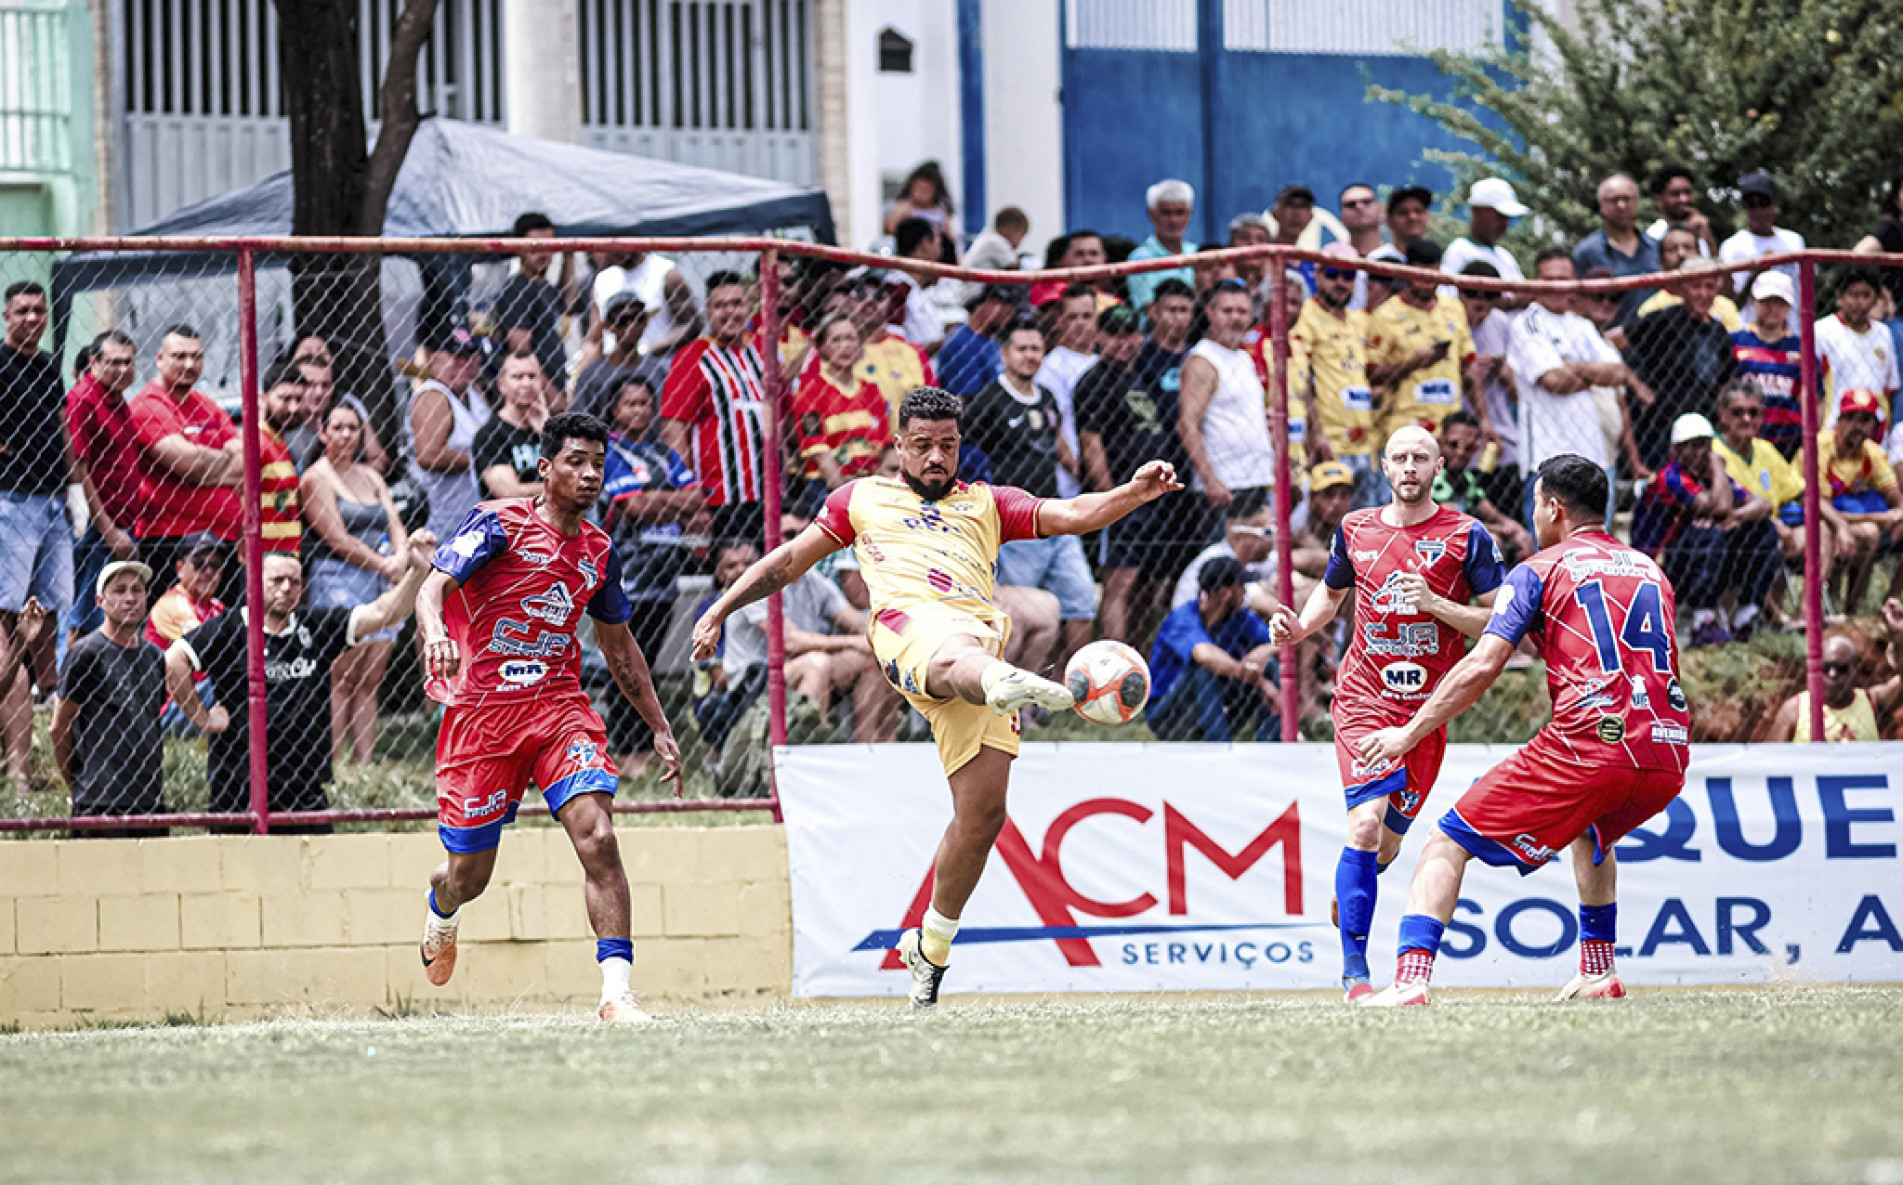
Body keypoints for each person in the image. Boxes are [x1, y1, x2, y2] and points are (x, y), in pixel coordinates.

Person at [690, 385, 1183, 1008]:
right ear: (897, 444)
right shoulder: (860, 499)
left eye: (946, 447)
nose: (934, 458)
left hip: (976, 648)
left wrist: (1132, 493)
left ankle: (931, 944)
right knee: (957, 654)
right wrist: (719, 607)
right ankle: (1006, 683)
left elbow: (1073, 513)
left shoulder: (985, 504)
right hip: (909, 635)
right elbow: (789, 560)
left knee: (982, 818)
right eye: (921, 446)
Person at [1356, 455, 1690, 1006]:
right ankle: (1599, 970)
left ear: (1553, 508)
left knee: (1448, 839)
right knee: (1592, 830)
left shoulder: (1539, 568)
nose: (1532, 513)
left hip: (1590, 743)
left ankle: (1410, 981)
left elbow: (1484, 665)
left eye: (1535, 503)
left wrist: (1407, 734)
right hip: (1667, 748)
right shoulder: (1649, 568)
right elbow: (1550, 629)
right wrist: (1444, 607)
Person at [413, 411, 682, 1023]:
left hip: (561, 710)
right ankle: (442, 905)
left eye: (598, 464)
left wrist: (659, 724)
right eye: (575, 461)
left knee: (601, 837)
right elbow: (433, 589)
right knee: (469, 877)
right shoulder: (498, 524)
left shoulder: (598, 550)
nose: (589, 474)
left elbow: (619, 647)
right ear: (545, 467)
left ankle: (617, 994)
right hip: (483, 718)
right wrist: (434, 634)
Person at [1270, 426, 1505, 1001]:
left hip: (1427, 710)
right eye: (1399, 458)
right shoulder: (1355, 529)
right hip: (1364, 700)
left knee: (1386, 847)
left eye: (1420, 458)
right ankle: (1355, 975)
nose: (1409, 468)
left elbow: (1500, 622)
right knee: (1366, 825)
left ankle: (1354, 883)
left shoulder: (1466, 536)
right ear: (1383, 465)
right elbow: (1331, 593)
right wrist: (1301, 626)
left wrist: (1435, 604)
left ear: (1438, 466)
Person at [167, 540, 433, 832]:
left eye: (294, 581)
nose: (286, 588)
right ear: (255, 582)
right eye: (277, 580)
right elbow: (174, 661)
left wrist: (418, 571)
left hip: (303, 784)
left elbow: (383, 614)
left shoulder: (316, 626)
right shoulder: (228, 629)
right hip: (238, 783)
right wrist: (202, 717)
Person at [965, 320, 1095, 666]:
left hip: (1057, 514)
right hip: (1017, 524)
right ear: (1005, 354)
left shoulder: (1047, 397)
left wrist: (1080, 474)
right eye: (1021, 349)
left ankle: (1074, 685)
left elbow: (1057, 444)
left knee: (1080, 600)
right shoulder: (989, 400)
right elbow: (964, 452)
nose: (1029, 356)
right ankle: (1008, 694)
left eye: (1036, 349)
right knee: (1016, 618)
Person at [1077, 286, 1194, 643]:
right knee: (1119, 584)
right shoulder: (1095, 380)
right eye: (1114, 335)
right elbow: (1091, 445)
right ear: (1100, 337)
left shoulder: (1139, 376)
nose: (1123, 343)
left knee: (1147, 585)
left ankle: (1139, 663)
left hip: (1152, 501)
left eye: (1130, 334)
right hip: (1124, 499)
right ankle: (1112, 667)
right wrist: (1114, 499)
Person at [599, 377, 701, 775]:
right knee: (624, 663)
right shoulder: (610, 453)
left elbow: (695, 497)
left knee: (649, 663)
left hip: (664, 574)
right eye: (630, 403)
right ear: (616, 410)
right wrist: (669, 503)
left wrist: (658, 502)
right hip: (629, 573)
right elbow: (632, 507)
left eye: (645, 403)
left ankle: (644, 747)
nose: (639, 410)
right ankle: (626, 752)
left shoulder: (662, 453)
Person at [301, 400, 410, 766]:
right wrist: (385, 564)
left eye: (353, 428)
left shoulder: (371, 475)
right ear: (323, 432)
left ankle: (363, 765)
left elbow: (394, 522)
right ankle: (333, 765)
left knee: (371, 677)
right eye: (338, 428)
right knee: (342, 676)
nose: (347, 435)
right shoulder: (316, 478)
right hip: (338, 580)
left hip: (382, 579)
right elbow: (338, 539)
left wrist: (400, 557)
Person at [1508, 250, 1647, 523]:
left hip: (1595, 459)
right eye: (1550, 279)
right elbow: (1554, 381)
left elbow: (1618, 373)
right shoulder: (1527, 324)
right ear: (1536, 282)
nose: (1559, 287)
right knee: (1551, 553)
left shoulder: (1581, 325)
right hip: (1548, 462)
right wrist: (1593, 374)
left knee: (1594, 550)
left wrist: (1573, 366)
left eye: (1565, 279)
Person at [1631, 413, 1777, 645]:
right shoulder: (1670, 477)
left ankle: (1747, 616)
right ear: (1677, 450)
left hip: (1703, 559)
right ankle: (1703, 621)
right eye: (1694, 447)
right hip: (1659, 566)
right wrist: (1719, 466)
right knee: (1710, 532)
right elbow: (1717, 507)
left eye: (1706, 447)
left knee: (1764, 529)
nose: (1702, 454)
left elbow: (1764, 504)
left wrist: (1735, 515)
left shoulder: (1709, 476)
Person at [1710, 379, 1839, 623]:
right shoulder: (1715, 451)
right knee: (1768, 532)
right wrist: (1774, 524)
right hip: (1741, 532)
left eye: (1754, 413)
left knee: (1823, 530)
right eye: (1738, 412)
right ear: (1723, 415)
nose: (1747, 419)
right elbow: (1732, 505)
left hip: (1779, 528)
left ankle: (1806, 615)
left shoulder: (1766, 450)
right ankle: (1773, 616)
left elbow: (1804, 494)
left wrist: (1839, 524)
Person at [51, 561, 165, 835]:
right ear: (100, 601)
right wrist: (79, 784)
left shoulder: (154, 656)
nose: (130, 598)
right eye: (120, 590)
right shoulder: (86, 653)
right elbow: (59, 727)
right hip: (100, 801)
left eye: (137, 590)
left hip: (150, 801)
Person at [662, 270, 769, 545]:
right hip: (718, 496)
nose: (730, 312)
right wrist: (689, 495)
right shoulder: (691, 358)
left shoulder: (761, 350)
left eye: (737, 304)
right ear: (708, 310)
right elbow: (674, 430)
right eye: (720, 305)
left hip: (767, 493)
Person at [63, 330, 142, 645]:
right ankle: (70, 684)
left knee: (110, 613)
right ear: (93, 362)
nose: (123, 369)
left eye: (128, 362)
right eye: (114, 362)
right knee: (85, 615)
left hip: (121, 523)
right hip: (99, 529)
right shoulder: (84, 399)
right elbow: (79, 471)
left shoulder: (117, 400)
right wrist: (109, 531)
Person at [1146, 557, 1279, 742]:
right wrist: (1260, 682)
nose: (1245, 593)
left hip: (1215, 704)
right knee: (1202, 670)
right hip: (1169, 714)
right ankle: (1220, 745)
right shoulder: (1184, 617)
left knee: (1270, 665)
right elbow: (1204, 655)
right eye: (1242, 587)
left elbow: (1281, 641)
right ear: (1225, 593)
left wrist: (1263, 651)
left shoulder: (1240, 617)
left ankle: (1271, 743)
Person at [1365, 239, 1485, 443]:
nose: (1428, 283)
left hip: (1450, 430)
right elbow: (1372, 375)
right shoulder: (1385, 315)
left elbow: (1469, 370)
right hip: (1405, 426)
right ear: (1407, 272)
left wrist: (1484, 420)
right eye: (1421, 276)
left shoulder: (1454, 309)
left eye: (1433, 275)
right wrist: (1412, 363)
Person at [1623, 259, 1737, 469]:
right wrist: (1638, 387)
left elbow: (1725, 380)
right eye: (1696, 286)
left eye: (1709, 286)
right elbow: (1618, 339)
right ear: (1683, 289)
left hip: (1704, 424)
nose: (1703, 293)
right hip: (1662, 425)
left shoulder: (1718, 332)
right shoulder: (1663, 320)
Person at [1292, 245, 1380, 507]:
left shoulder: (1361, 321)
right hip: (1329, 443)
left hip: (1366, 444)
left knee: (1367, 527)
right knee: (1331, 527)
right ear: (1317, 275)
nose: (1341, 282)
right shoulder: (1304, 315)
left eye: (1348, 276)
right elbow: (1301, 380)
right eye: (1332, 274)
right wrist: (1315, 435)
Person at [1180, 280, 1276, 519]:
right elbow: (1187, 423)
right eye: (1227, 311)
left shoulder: (1244, 358)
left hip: (1256, 478)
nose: (1235, 318)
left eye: (1242, 311)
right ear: (1211, 312)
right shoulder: (1203, 360)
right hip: (1225, 485)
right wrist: (1210, 480)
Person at [790, 314, 891, 508]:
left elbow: (884, 447)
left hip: (871, 484)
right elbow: (818, 452)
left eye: (850, 338)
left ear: (860, 346)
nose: (844, 346)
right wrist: (849, 496)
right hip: (828, 486)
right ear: (823, 348)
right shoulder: (810, 391)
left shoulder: (872, 390)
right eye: (836, 340)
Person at [408, 326, 494, 543]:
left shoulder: (473, 393)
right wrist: (484, 459)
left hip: (478, 517)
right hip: (445, 525)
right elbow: (428, 455)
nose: (462, 363)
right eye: (455, 357)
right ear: (434, 358)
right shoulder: (432, 395)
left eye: (468, 357)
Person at [1766, 608, 1903, 742]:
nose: (1832, 674)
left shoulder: (1872, 702)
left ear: (1856, 670)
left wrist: (1900, 636)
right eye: (1826, 668)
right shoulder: (1794, 710)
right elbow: (1770, 760)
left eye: (1841, 668)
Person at [1820, 390, 1903, 610]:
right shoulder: (1821, 447)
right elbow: (1818, 506)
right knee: (1869, 531)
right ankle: (1849, 607)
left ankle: (1888, 604)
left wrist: (1899, 516)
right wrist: (1878, 517)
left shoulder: (1872, 452)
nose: (1858, 426)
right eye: (1851, 418)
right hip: (1816, 521)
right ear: (1839, 421)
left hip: (1851, 519)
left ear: (1875, 427)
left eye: (1865, 420)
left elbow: (1896, 498)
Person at [144, 533, 227, 739]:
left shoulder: (216, 607)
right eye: (199, 564)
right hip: (171, 707)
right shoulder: (172, 604)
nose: (208, 571)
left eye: (215, 566)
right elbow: (216, 658)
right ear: (180, 568)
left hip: (202, 697)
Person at [1457, 263, 1523, 511]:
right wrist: (1465, 369)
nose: (1481, 302)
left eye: (1490, 295)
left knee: (1509, 513)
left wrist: (1502, 370)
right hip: (1459, 441)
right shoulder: (1447, 322)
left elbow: (1515, 392)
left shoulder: (1501, 323)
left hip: (1501, 436)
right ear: (1459, 292)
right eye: (1473, 293)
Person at [1434, 411, 1533, 565]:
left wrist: (1517, 531)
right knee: (1493, 541)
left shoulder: (1465, 478)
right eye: (1454, 445)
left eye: (1469, 447)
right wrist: (1500, 530)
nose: (1460, 452)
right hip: (1431, 542)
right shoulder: (1435, 475)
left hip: (1456, 540)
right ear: (1440, 442)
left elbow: (1491, 513)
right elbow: (1455, 524)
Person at [490, 212, 569, 394]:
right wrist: (553, 397)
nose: (543, 253)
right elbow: (520, 352)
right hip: (534, 394)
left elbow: (570, 303)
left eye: (549, 245)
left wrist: (569, 256)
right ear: (519, 249)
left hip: (554, 385)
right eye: (536, 246)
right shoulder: (517, 289)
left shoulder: (546, 287)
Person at [1729, 271, 1805, 457]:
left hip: (1789, 441)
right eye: (1766, 301)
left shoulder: (1801, 349)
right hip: (1745, 439)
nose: (1773, 308)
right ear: (1754, 303)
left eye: (1779, 302)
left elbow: (1813, 399)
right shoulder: (1735, 342)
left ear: (1789, 306)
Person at [1035, 285, 1100, 499]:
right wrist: (1079, 472)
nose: (1080, 323)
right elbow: (1054, 428)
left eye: (1087, 316)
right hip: (1072, 483)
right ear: (1060, 321)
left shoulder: (1102, 360)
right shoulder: (1052, 367)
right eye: (1073, 317)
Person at [1572, 172, 1661, 325]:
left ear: (1637, 203)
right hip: (1608, 338)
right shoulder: (1587, 252)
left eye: (1627, 199)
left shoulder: (1656, 248)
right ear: (1602, 205)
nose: (1621, 205)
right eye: (1614, 200)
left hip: (1658, 336)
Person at [1817, 268, 1900, 429]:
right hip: (1835, 426)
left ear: (1876, 300)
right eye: (1853, 295)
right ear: (1840, 297)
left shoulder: (1883, 333)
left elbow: (1890, 388)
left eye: (1866, 295)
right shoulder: (1822, 331)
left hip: (1875, 429)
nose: (1859, 302)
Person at [570, 293, 669, 422]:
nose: (632, 325)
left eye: (638, 318)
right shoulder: (592, 376)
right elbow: (579, 422)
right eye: (622, 320)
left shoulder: (656, 371)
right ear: (608, 326)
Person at [591, 247, 701, 362]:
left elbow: (691, 324)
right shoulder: (602, 279)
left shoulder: (665, 273)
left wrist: (647, 351)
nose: (617, 248)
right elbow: (594, 339)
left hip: (659, 362)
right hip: (614, 366)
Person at [1719, 170, 1805, 315]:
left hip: (1790, 330)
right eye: (1750, 203)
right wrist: (1755, 275)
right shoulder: (1732, 246)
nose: (1757, 210)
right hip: (1750, 330)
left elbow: (1803, 291)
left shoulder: (1794, 241)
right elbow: (1730, 305)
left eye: (1763, 202)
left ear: (1775, 205)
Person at [1633, 224, 1743, 332]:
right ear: (1660, 261)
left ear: (1699, 254)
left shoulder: (1725, 307)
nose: (1681, 254)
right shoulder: (1652, 309)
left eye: (1688, 247)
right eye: (1672, 249)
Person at [473, 351, 550, 499]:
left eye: (532, 376)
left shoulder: (548, 428)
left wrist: (546, 432)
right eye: (518, 377)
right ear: (502, 384)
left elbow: (574, 477)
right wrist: (560, 488)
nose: (526, 383)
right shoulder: (489, 435)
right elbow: (510, 494)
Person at [255, 358, 306, 555]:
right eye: (285, 399)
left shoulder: (280, 444)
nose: (293, 408)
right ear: (263, 398)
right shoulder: (257, 443)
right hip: (266, 562)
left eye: (298, 400)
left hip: (284, 558)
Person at [1441, 178, 1527, 292]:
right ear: (1477, 211)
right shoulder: (1459, 251)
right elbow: (1450, 297)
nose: (1504, 223)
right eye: (1499, 216)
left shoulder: (1505, 257)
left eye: (1507, 217)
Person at [1126, 179, 1199, 312]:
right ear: (1152, 214)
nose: (1173, 220)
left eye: (1179, 212)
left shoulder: (1198, 253)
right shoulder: (1139, 259)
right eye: (1166, 213)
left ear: (1189, 214)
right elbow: (1147, 309)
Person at [935, 284, 1019, 397]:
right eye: (1005, 304)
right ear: (986, 304)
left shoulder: (991, 340)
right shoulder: (963, 342)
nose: (1010, 312)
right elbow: (965, 400)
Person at [1366, 185, 1434, 307]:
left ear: (1427, 216)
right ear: (1389, 221)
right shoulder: (1375, 259)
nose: (1412, 217)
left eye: (1418, 211)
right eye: (1403, 213)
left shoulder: (1435, 259)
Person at [889, 217, 947, 352]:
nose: (941, 250)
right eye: (938, 243)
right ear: (925, 244)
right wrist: (944, 342)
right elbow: (893, 344)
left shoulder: (915, 287)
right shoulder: (897, 288)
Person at [1645, 164, 1716, 257]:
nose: (1684, 199)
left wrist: (1707, 235)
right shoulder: (1654, 236)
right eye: (1675, 194)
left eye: (1687, 192)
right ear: (1658, 199)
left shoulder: (1699, 229)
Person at [962, 206, 1029, 273]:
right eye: (1022, 236)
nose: (1020, 243)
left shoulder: (987, 236)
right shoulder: (996, 241)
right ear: (1014, 230)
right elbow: (1014, 268)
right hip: (977, 283)